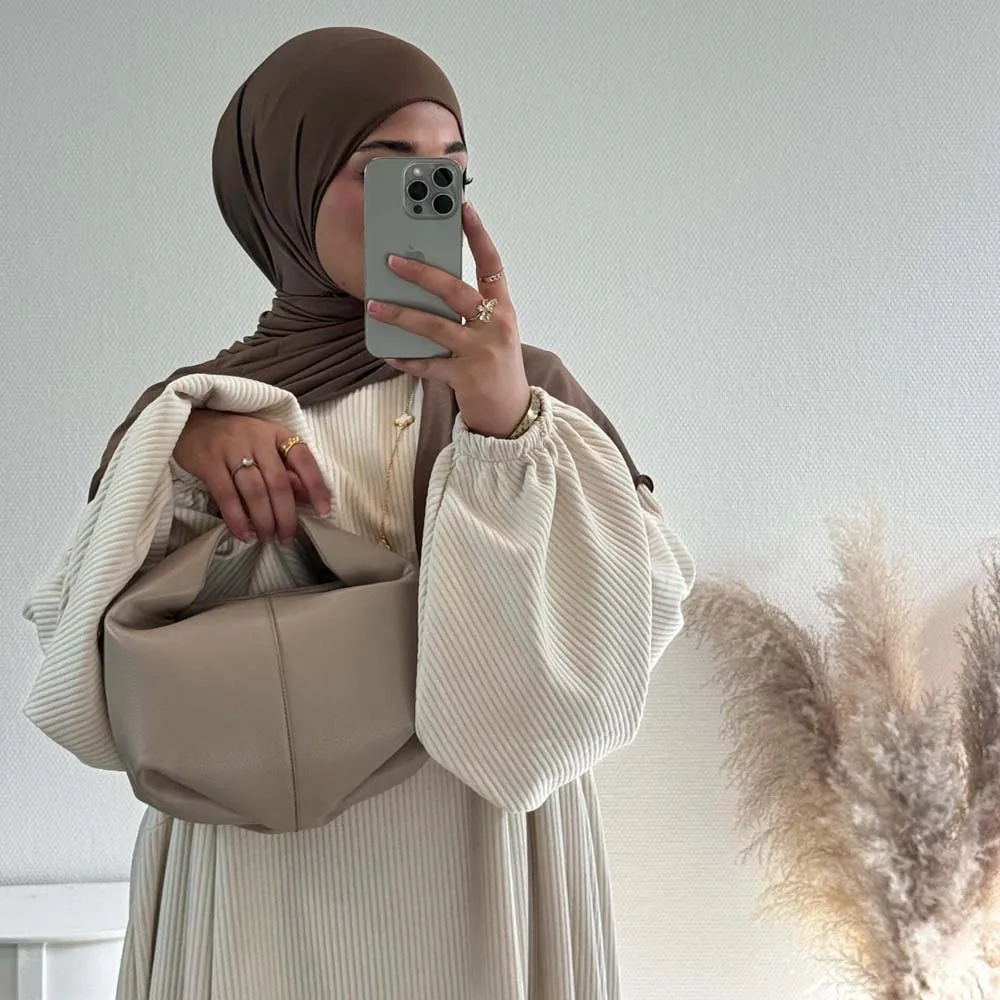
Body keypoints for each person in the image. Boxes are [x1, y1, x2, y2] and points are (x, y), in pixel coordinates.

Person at [21, 26, 696, 1000]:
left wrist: (503, 425)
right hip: (258, 879)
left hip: (479, 869)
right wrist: (175, 450)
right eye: (384, 170)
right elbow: (78, 676)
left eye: (448, 170)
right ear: (282, 188)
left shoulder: (530, 396)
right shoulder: (196, 411)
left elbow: (640, 617)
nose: (426, 199)